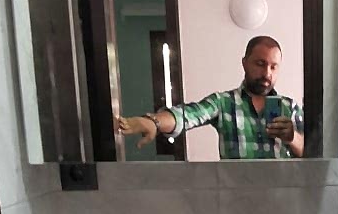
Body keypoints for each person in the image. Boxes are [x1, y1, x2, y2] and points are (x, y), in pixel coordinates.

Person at [116, 35, 305, 159]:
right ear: (245, 63)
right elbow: (188, 115)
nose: (267, 73)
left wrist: (292, 137)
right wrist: (154, 122)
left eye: (273, 66)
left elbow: (312, 154)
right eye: (260, 64)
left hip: (281, 200)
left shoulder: (290, 108)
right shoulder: (224, 103)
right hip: (236, 201)